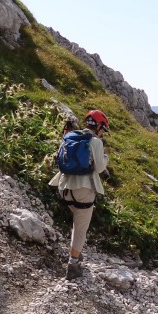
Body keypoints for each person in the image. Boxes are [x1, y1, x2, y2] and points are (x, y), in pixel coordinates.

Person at [49, 109, 109, 280]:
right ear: (99, 126)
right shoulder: (96, 142)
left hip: (64, 187)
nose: (103, 132)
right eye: (103, 129)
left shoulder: (70, 136)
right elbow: (99, 168)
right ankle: (73, 264)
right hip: (83, 190)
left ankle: (77, 250)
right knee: (81, 226)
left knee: (77, 218)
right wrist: (106, 158)